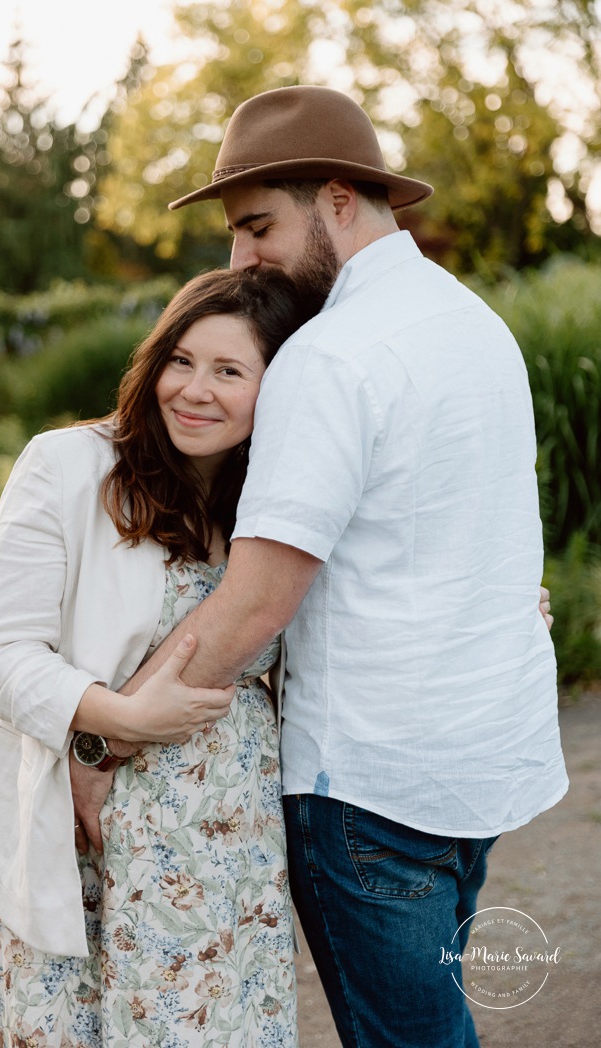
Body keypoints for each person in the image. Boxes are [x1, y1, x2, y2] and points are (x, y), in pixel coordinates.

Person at [73, 86, 568, 1048]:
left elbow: (254, 603)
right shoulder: (477, 326)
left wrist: (105, 743)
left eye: (257, 226)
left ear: (338, 199)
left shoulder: (331, 356)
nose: (238, 259)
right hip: (480, 763)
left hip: (370, 787)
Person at [0, 268, 317, 1048]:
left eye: (228, 371)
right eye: (180, 360)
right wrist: (116, 722)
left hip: (225, 841)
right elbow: (2, 655)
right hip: (79, 832)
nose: (194, 390)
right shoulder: (68, 466)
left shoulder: (280, 501)